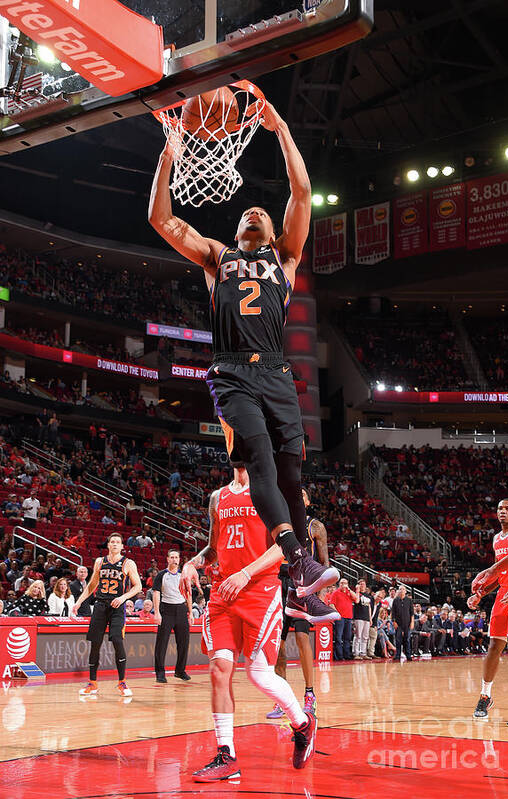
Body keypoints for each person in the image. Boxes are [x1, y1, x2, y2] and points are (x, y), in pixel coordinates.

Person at [149, 100, 339, 618]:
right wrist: (170, 155)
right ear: (235, 232)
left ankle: (304, 587)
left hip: (277, 369)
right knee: (256, 457)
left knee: (293, 477)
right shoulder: (217, 256)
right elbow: (161, 218)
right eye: (245, 213)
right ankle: (299, 560)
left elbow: (301, 191)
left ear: (274, 229)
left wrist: (279, 128)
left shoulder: (286, 257)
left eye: (262, 211)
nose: (254, 211)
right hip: (232, 369)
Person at [179, 466, 319, 782]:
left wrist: (246, 573)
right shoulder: (218, 497)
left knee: (258, 675)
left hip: (259, 590)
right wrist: (192, 563)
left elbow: (285, 545)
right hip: (223, 592)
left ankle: (302, 722)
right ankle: (226, 755)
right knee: (219, 669)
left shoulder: (271, 491)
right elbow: (213, 550)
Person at [267, 488, 339, 719]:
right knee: (277, 645)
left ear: (307, 502)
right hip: (279, 582)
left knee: (301, 638)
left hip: (302, 584)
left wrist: (321, 595)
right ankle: (282, 699)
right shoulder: (278, 525)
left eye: (302, 495)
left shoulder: (315, 527)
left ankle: (310, 695)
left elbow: (325, 562)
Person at [468, 499, 508, 721]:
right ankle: (485, 696)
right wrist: (481, 593)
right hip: (504, 593)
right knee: (494, 645)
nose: (503, 511)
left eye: (507, 508)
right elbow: (499, 572)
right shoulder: (496, 538)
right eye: (500, 509)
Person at [72, 533, 142, 698]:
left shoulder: (128, 563)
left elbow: (138, 586)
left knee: (117, 640)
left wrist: (123, 597)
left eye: (118, 542)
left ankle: (122, 682)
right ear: (108, 545)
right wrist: (79, 602)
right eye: (112, 542)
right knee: (95, 643)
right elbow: (92, 585)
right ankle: (92, 683)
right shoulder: (99, 561)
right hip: (100, 605)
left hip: (117, 606)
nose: (115, 544)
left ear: (122, 546)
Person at [152, 549, 193, 683]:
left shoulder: (184, 576)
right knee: (162, 643)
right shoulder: (161, 575)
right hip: (166, 609)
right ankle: (160, 673)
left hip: (181, 609)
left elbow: (188, 594)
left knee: (184, 642)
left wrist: (190, 612)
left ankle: (180, 671)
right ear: (168, 559)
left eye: (177, 557)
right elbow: (156, 593)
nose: (175, 560)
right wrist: (157, 612)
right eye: (172, 557)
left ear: (179, 559)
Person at [329, 578, 359, 661]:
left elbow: (356, 599)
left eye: (345, 583)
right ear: (339, 584)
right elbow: (331, 604)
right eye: (342, 583)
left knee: (347, 637)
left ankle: (347, 655)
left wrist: (349, 589)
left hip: (349, 617)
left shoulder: (349, 593)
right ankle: (340, 656)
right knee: (339, 637)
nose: (343, 585)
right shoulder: (336, 593)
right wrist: (337, 614)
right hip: (340, 618)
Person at [391, 585, 414, 661]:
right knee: (398, 640)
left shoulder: (409, 600)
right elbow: (393, 612)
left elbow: (412, 613)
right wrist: (394, 622)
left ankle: (408, 655)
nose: (401, 590)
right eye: (400, 589)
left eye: (403, 589)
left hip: (407, 623)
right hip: (398, 623)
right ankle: (397, 655)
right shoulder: (395, 600)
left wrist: (412, 622)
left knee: (407, 640)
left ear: (405, 591)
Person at [352, 579, 373, 660]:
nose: (362, 585)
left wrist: (370, 618)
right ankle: (356, 653)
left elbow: (369, 607)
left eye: (363, 584)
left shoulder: (368, 596)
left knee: (365, 637)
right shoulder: (357, 594)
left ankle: (363, 653)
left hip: (366, 618)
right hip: (358, 617)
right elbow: (356, 602)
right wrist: (357, 591)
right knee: (358, 636)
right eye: (360, 584)